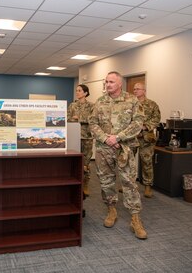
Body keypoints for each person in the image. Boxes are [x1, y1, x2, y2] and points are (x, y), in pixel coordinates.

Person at [89, 71, 147, 239]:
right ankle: (111, 210)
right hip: (103, 149)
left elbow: (138, 123)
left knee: (129, 183)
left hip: (125, 148)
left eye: (112, 82)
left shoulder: (132, 101)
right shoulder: (100, 102)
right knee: (106, 182)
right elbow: (93, 124)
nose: (108, 84)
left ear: (119, 84)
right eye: (106, 82)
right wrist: (106, 139)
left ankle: (135, 219)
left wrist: (118, 138)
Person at [132, 82, 161, 198]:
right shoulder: (130, 104)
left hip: (146, 138)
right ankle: (129, 184)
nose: (135, 91)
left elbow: (156, 119)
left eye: (138, 89)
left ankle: (148, 186)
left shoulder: (152, 104)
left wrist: (145, 127)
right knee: (128, 161)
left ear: (144, 91)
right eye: (134, 89)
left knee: (147, 163)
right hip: (132, 137)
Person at [67, 84, 94, 197]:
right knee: (72, 161)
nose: (77, 92)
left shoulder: (92, 106)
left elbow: (93, 119)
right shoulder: (72, 105)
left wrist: (79, 118)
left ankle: (85, 184)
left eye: (79, 91)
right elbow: (67, 118)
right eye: (76, 90)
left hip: (86, 137)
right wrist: (73, 118)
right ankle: (73, 182)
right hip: (73, 136)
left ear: (85, 93)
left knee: (86, 162)